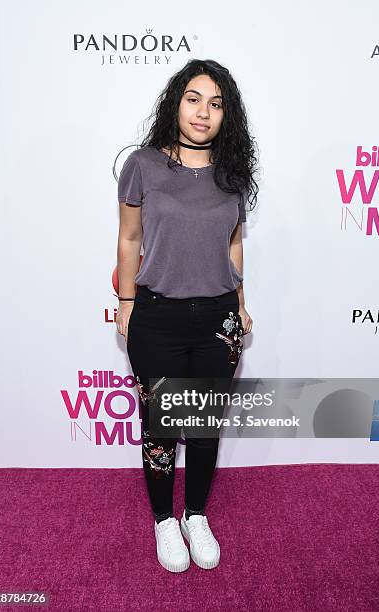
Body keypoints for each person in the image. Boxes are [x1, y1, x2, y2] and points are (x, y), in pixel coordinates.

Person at [115, 59, 258, 573]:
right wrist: (127, 303)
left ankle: (195, 514)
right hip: (157, 317)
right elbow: (130, 238)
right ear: (176, 102)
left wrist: (239, 302)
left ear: (227, 115)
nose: (203, 112)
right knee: (160, 429)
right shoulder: (144, 166)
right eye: (194, 98)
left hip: (218, 320)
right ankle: (163, 520)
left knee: (202, 428)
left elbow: (234, 244)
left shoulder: (231, 173)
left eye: (216, 103)